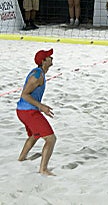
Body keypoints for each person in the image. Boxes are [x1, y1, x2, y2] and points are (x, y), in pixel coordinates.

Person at [16, 48, 56, 176]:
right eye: (49, 57)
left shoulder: (40, 73)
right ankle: (43, 169)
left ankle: (21, 158)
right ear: (43, 61)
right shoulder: (37, 76)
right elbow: (25, 95)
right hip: (28, 111)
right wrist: (41, 107)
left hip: (24, 110)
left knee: (34, 135)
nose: (52, 58)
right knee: (51, 139)